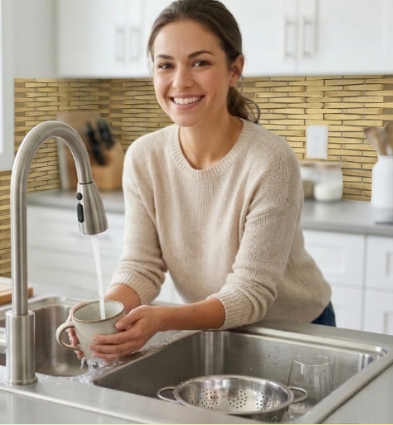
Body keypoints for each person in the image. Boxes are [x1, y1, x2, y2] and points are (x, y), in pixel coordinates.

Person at [71, 0, 334, 363]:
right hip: (216, 327)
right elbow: (142, 264)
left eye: (200, 62)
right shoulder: (145, 157)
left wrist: (163, 319)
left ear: (234, 69)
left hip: (296, 333)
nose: (180, 81)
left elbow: (250, 293)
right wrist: (110, 311)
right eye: (166, 65)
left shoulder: (270, 161)